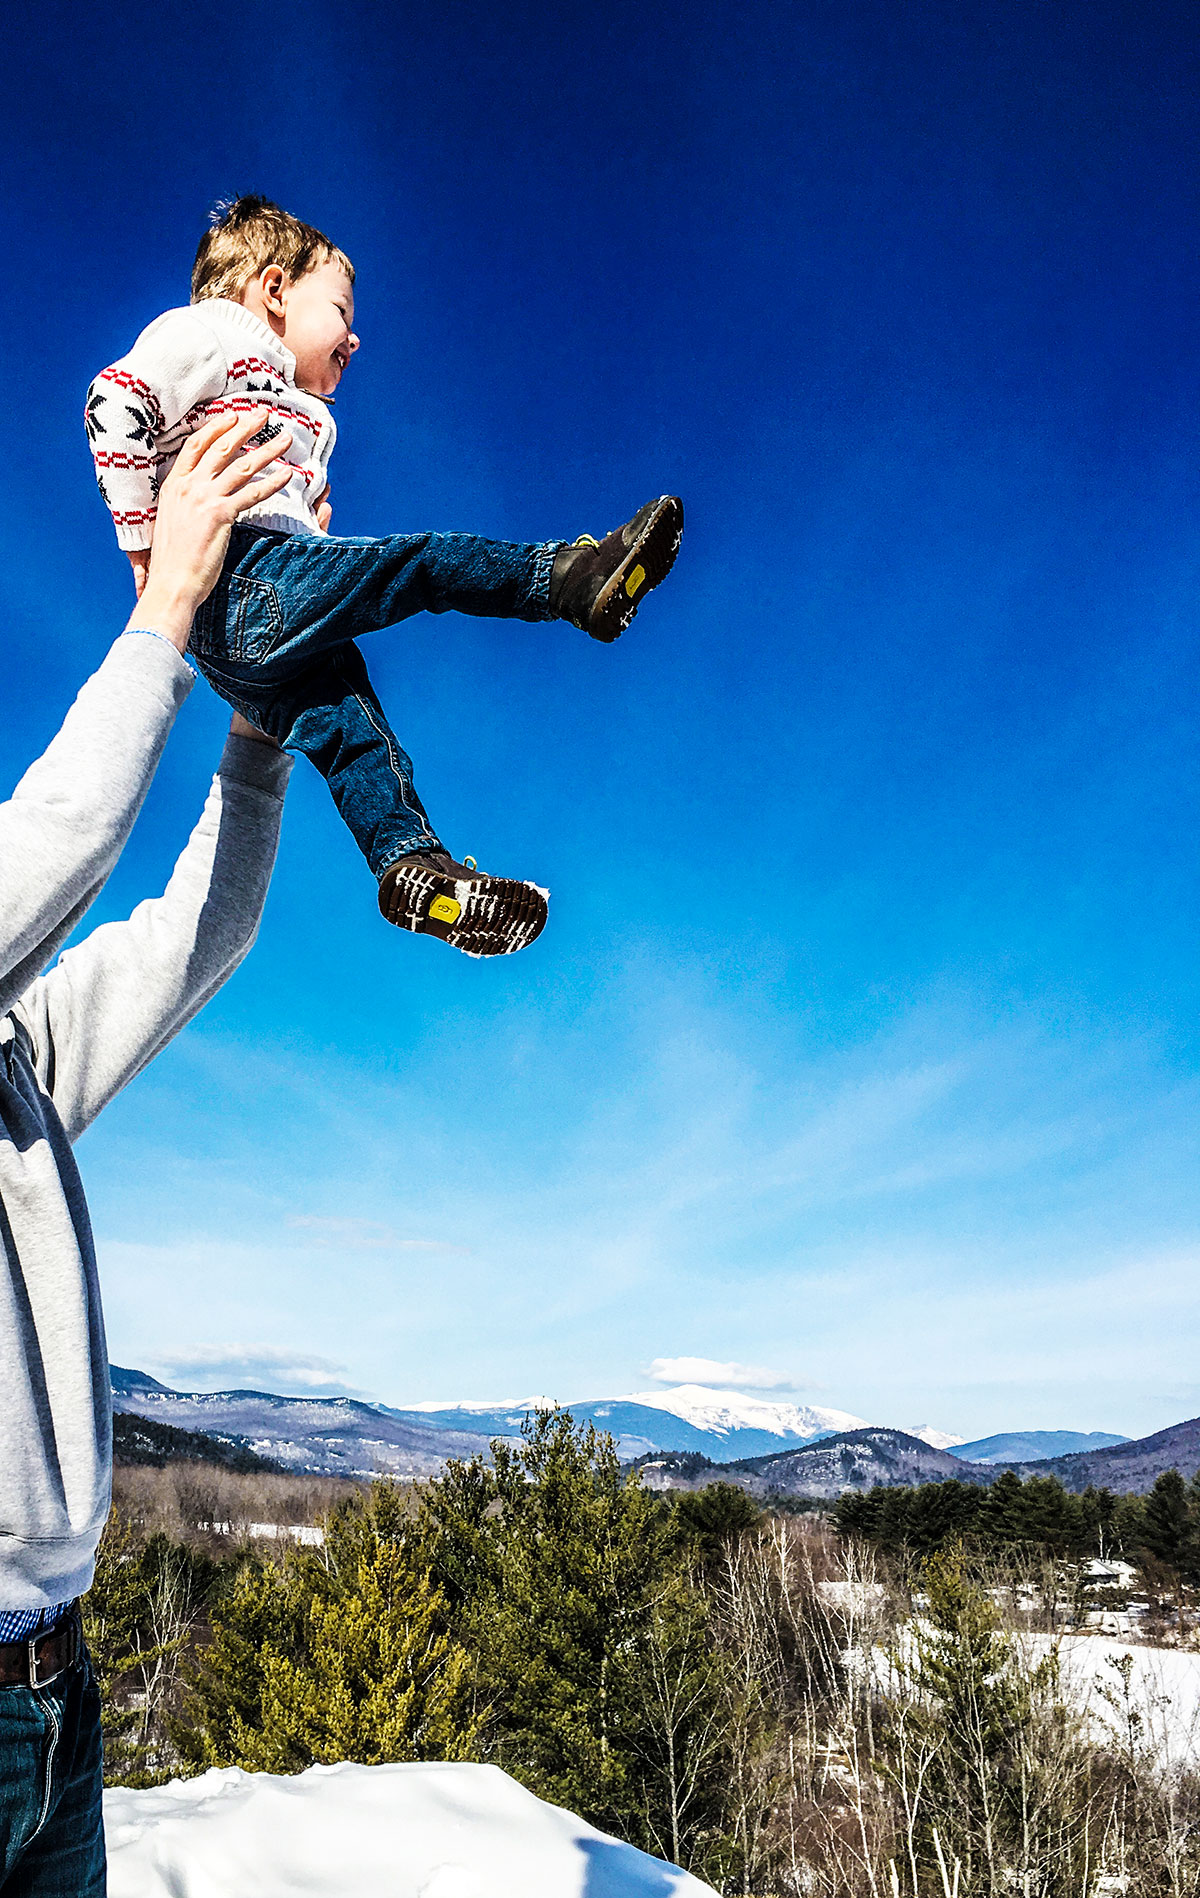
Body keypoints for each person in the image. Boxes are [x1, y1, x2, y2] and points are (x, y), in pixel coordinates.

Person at [85, 195, 684, 959]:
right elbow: (115, 400)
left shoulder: (281, 390)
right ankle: (570, 579)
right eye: (338, 308)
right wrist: (144, 545)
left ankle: (409, 867)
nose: (355, 335)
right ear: (271, 292)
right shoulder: (208, 334)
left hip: (236, 645)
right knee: (420, 565)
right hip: (243, 571)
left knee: (349, 731)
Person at [0, 408, 295, 1896]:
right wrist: (167, 605)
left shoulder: (18, 1058)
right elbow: (59, 840)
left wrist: (262, 729)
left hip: (52, 1689)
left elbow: (199, 935)